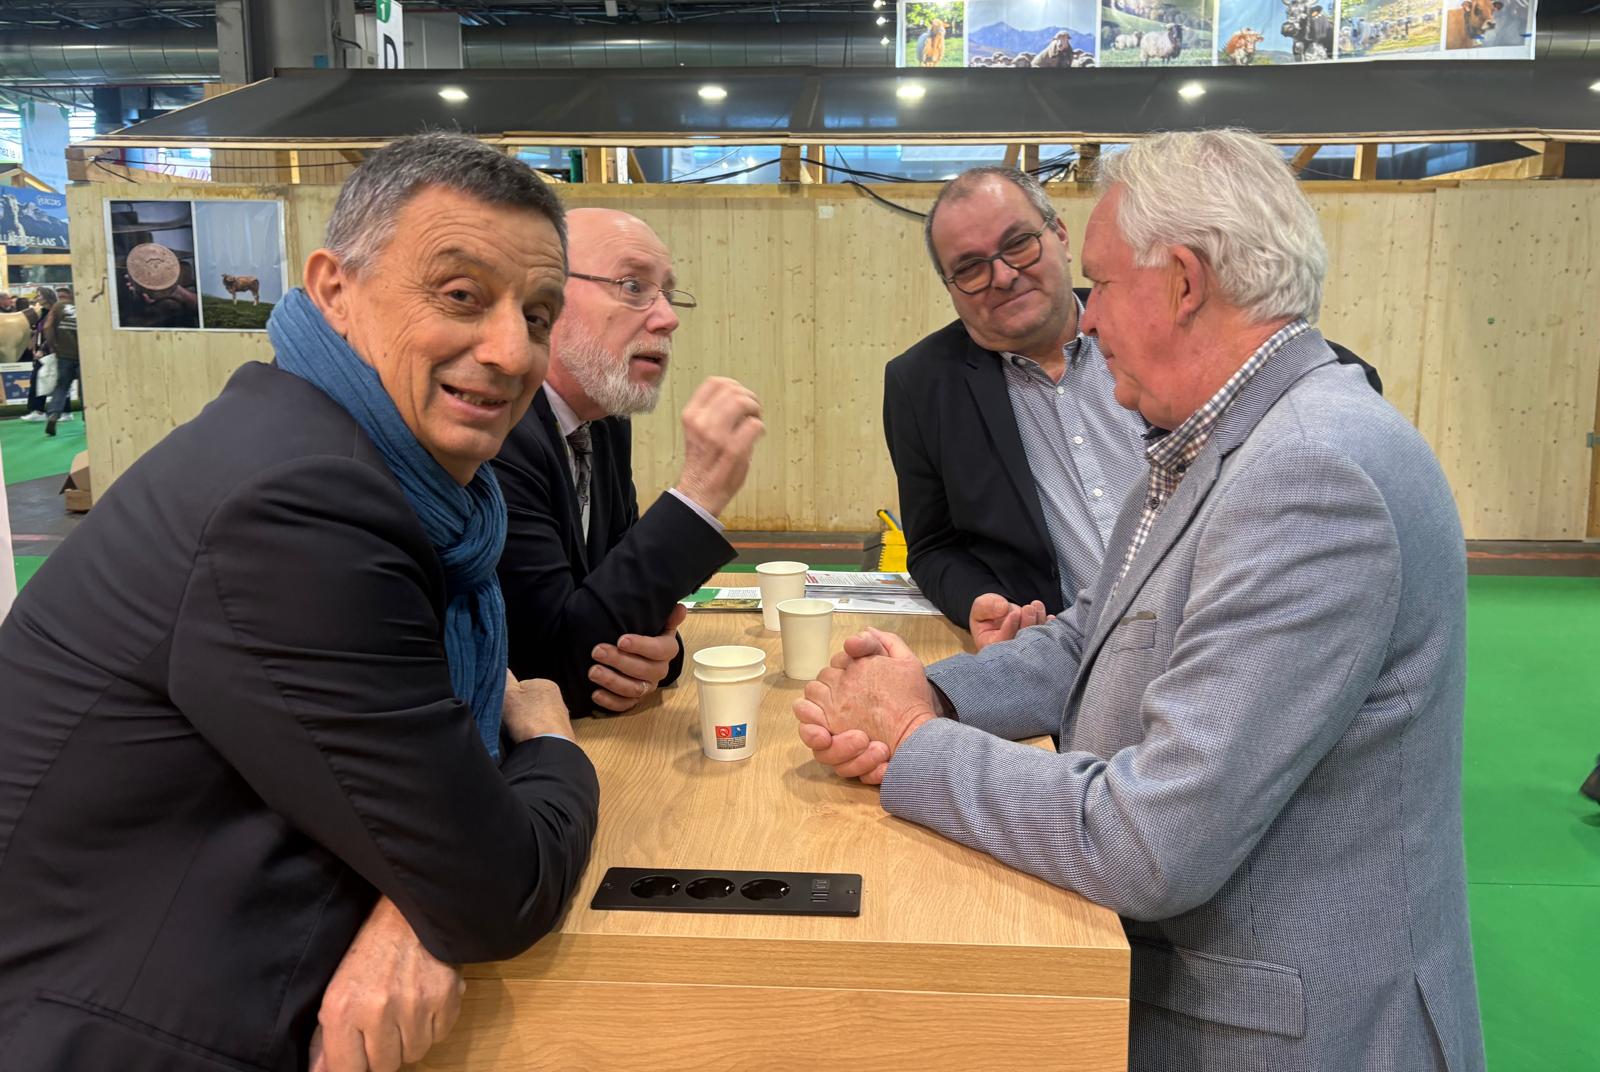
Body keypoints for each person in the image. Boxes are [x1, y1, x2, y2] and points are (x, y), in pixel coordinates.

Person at [798, 129, 1483, 1071]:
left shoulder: (1308, 475)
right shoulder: (1224, 440)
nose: (1089, 321)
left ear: (1184, 283)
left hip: (1287, 1033)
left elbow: (1154, 840)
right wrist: (940, 692)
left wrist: (915, 743)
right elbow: (1099, 630)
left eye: (1104, 285)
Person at [0, 133, 600, 1072]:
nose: (509, 350)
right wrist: (555, 749)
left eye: (536, 314)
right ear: (333, 290)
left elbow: (402, 802)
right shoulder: (300, 503)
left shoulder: (343, 460)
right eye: (460, 295)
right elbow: (497, 889)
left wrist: (412, 895)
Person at [883, 166, 1383, 647]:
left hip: (1216, 633)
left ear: (1060, 235)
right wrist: (977, 600)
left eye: (1018, 244)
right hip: (1063, 655)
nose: (1002, 275)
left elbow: (1308, 372)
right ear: (949, 286)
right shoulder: (921, 384)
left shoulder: (1153, 326)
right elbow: (933, 546)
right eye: (970, 268)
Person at [494, 207, 764, 715]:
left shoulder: (604, 421)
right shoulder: (499, 430)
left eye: (667, 293)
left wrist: (657, 653)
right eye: (633, 287)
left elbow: (617, 596)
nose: (668, 318)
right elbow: (552, 673)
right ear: (545, 301)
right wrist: (698, 494)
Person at [41, 285, 79, 436]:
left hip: (64, 355)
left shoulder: (58, 307)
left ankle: (54, 414)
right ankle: (89, 419)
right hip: (84, 355)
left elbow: (47, 327)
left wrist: (53, 347)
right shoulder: (86, 306)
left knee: (61, 387)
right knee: (87, 389)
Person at [19, 286, 54, 422]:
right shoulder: (42, 313)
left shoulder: (54, 312)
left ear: (46, 297)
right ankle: (37, 410)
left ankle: (39, 411)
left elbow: (52, 334)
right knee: (37, 380)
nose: (37, 298)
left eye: (39, 295)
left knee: (41, 380)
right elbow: (39, 331)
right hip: (41, 352)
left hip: (50, 352)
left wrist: (42, 349)